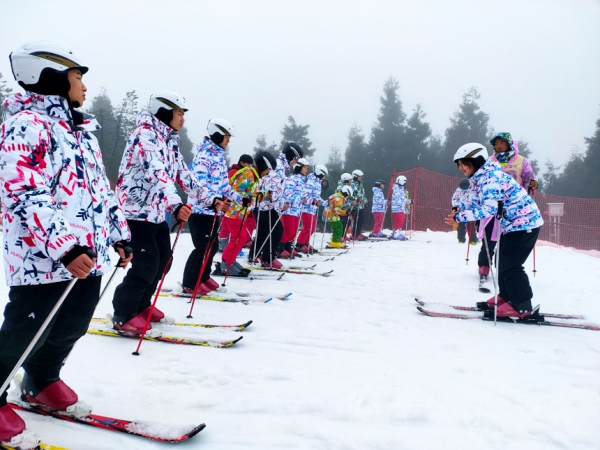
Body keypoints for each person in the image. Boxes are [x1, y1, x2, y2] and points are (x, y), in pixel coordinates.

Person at [0, 41, 132, 447]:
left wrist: (119, 233)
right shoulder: (26, 125)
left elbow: (101, 193)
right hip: (43, 257)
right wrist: (64, 248)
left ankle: (41, 379)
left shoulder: (81, 132)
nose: (84, 87)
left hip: (84, 254)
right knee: (27, 329)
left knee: (72, 324)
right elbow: (22, 192)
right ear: (51, 77)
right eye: (78, 77)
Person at [111, 90, 209, 333]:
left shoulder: (169, 141)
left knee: (163, 260)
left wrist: (210, 199)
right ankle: (124, 313)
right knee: (146, 263)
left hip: (154, 213)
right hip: (135, 212)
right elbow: (158, 173)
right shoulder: (144, 136)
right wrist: (175, 204)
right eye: (179, 113)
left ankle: (142, 305)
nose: (182, 119)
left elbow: (182, 175)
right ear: (164, 112)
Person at [445, 143, 544, 320]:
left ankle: (522, 305)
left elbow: (488, 209)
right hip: (514, 225)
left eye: (464, 164)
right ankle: (507, 297)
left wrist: (460, 218)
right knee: (502, 262)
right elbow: (476, 202)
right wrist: (460, 210)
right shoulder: (480, 178)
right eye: (459, 165)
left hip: (525, 224)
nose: (461, 169)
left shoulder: (490, 178)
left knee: (511, 265)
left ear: (476, 161)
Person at [182, 119, 240, 294]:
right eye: (226, 137)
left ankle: (203, 276)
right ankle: (190, 283)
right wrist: (213, 201)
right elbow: (198, 185)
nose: (228, 141)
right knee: (202, 247)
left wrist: (240, 198)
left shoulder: (219, 157)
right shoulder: (204, 157)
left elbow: (224, 186)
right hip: (200, 210)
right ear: (217, 135)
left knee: (212, 246)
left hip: (213, 210)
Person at [477, 132, 539, 282]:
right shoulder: (490, 161)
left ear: (509, 144)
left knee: (508, 241)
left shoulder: (521, 161)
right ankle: (484, 267)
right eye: (496, 144)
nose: (498, 146)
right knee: (489, 239)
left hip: (513, 208)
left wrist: (533, 183)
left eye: (501, 143)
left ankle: (504, 269)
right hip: (492, 207)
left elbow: (530, 177)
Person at [214, 152, 276, 277]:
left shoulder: (253, 175)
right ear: (263, 165)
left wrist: (263, 196)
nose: (267, 172)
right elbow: (236, 190)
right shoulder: (248, 174)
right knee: (239, 237)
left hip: (240, 212)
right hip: (234, 211)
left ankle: (230, 261)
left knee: (241, 237)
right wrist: (244, 199)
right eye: (268, 169)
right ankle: (226, 264)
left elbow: (250, 193)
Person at [250, 143, 301, 268]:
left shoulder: (279, 165)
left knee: (263, 231)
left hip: (263, 204)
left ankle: (254, 254)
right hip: (267, 205)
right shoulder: (277, 166)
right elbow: (272, 185)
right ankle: (268, 258)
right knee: (277, 230)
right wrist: (280, 203)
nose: (295, 163)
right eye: (296, 160)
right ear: (291, 157)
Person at [218, 154, 255, 252]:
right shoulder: (234, 172)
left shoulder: (243, 172)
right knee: (226, 225)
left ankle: (228, 244)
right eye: (247, 164)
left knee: (233, 227)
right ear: (241, 162)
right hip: (229, 203)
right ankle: (222, 244)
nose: (249, 167)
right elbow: (229, 187)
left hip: (237, 203)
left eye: (251, 165)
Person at [279, 158, 309, 258]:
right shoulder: (292, 179)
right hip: (289, 210)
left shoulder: (302, 180)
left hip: (297, 210)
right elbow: (287, 195)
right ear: (298, 167)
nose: (306, 170)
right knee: (289, 230)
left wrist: (304, 198)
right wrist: (300, 198)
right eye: (304, 167)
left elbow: (300, 194)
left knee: (294, 231)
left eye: (306, 168)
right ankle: (280, 248)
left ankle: (288, 247)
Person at [296, 165, 328, 252]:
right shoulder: (311, 182)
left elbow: (316, 197)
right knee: (307, 227)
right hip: (306, 208)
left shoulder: (318, 182)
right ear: (319, 173)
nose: (324, 177)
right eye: (323, 174)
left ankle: (306, 243)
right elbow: (305, 195)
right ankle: (300, 244)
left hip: (312, 209)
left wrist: (324, 202)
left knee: (312, 228)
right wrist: (312, 201)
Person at [452, 178, 478, 244]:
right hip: (461, 212)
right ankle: (461, 239)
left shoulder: (473, 190)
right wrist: (455, 209)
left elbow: (476, 200)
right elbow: (454, 199)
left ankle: (472, 240)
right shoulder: (458, 190)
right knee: (460, 226)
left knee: (471, 227)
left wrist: (474, 207)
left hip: (470, 212)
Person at [391, 175, 411, 240]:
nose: (405, 183)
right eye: (404, 182)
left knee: (401, 221)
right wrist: (403, 204)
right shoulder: (397, 189)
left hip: (400, 208)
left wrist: (409, 201)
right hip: (397, 208)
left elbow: (403, 199)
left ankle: (397, 233)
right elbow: (398, 199)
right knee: (400, 221)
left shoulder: (400, 189)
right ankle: (396, 234)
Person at [349, 170, 368, 240]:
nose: (361, 178)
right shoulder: (352, 184)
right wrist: (356, 199)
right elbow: (350, 194)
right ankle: (355, 234)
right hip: (355, 206)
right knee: (356, 220)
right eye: (359, 177)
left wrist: (365, 202)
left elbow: (363, 194)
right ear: (355, 177)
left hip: (361, 205)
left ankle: (358, 232)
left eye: (361, 177)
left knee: (361, 219)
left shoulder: (360, 184)